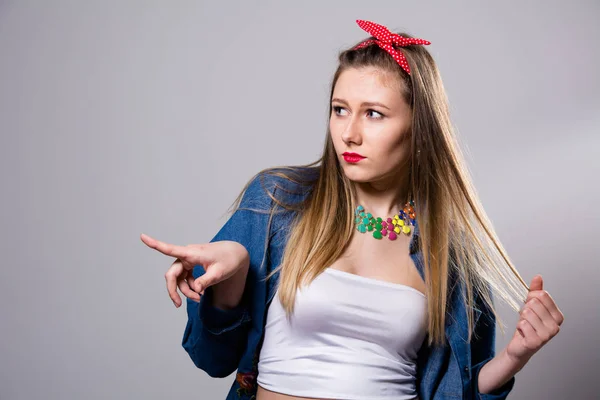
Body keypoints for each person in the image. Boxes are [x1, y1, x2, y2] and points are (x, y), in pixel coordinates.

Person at [140, 20, 564, 400]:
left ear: (419, 127)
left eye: (374, 115)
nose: (349, 133)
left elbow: (456, 391)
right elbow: (213, 359)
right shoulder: (277, 202)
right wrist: (233, 278)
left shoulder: (449, 254)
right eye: (339, 109)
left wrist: (515, 356)